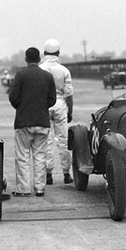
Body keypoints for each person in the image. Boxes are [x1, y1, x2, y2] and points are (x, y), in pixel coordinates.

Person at [8, 47, 56, 196]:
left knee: (22, 157)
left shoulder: (21, 75)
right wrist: (41, 107)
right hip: (42, 121)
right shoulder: (48, 76)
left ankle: (23, 189)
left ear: (26, 59)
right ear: (39, 58)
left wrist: (22, 107)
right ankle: (40, 188)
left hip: (24, 121)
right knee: (40, 156)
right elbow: (52, 100)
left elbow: (13, 97)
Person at [39, 38, 74, 185]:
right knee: (62, 140)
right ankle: (66, 173)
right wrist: (70, 111)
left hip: (45, 104)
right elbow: (69, 94)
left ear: (45, 52)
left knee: (46, 140)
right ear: (58, 53)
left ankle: (48, 174)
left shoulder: (40, 69)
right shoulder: (64, 70)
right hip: (60, 104)